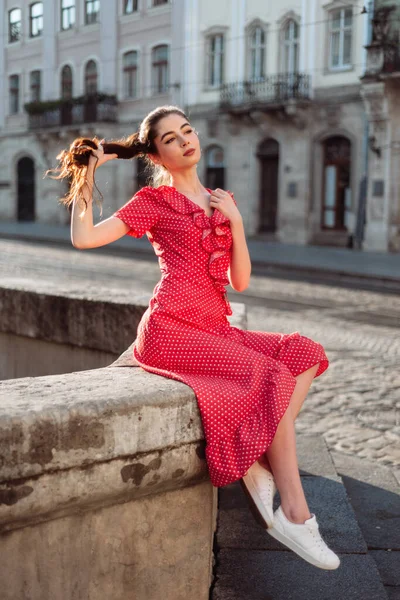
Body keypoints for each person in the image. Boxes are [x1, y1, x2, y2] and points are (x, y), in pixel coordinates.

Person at [46, 104, 340, 571]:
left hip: (214, 326)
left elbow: (240, 281)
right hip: (171, 329)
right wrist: (85, 176)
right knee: (268, 374)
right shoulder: (153, 202)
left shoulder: (222, 201)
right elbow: (85, 239)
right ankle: (295, 513)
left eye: (187, 130)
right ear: (157, 157)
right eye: (171, 138)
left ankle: (255, 463)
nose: (185, 140)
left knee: (303, 353)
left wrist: (237, 223)